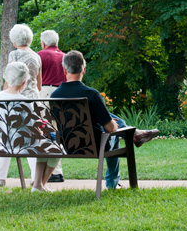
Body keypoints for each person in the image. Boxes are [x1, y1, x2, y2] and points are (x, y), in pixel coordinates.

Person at [51, 51, 159, 190]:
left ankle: (136, 133)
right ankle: (112, 183)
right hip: (95, 146)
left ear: (64, 69)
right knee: (115, 130)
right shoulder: (92, 94)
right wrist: (112, 122)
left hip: (69, 146)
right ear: (84, 69)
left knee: (109, 118)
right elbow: (110, 129)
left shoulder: (55, 96)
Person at [0, 62, 61, 192]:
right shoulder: (25, 102)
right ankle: (39, 184)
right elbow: (31, 127)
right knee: (54, 148)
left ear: (6, 79)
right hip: (22, 144)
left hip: (3, 142)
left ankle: (37, 184)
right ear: (24, 83)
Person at [6, 24, 43, 181]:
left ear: (14, 41)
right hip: (34, 99)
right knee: (34, 137)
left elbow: (9, 79)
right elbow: (39, 84)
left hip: (17, 100)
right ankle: (36, 176)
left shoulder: (14, 55)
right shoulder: (37, 56)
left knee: (11, 134)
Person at [37, 29, 66, 182]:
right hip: (62, 95)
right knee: (57, 132)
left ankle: (52, 173)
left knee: (47, 132)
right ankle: (57, 170)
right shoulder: (65, 56)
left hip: (45, 93)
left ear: (43, 43)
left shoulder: (40, 55)